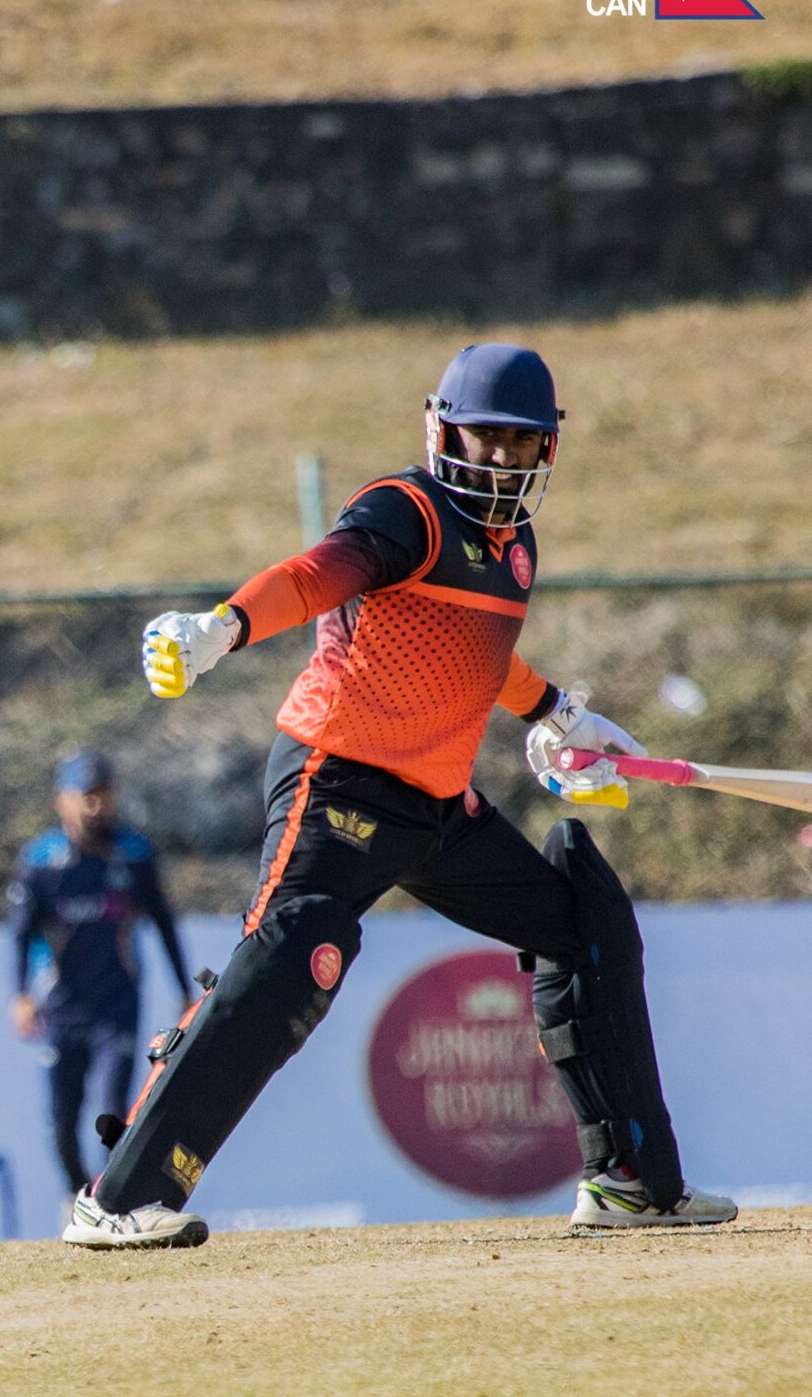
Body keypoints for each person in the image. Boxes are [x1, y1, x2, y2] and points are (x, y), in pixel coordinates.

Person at [66, 343, 737, 1248]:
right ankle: (118, 1198)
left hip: (435, 809)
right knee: (296, 949)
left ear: (547, 448)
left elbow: (476, 653)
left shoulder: (517, 551)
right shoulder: (406, 510)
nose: (499, 459)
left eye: (518, 442)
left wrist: (555, 713)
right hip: (336, 776)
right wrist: (225, 626)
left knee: (586, 922)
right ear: (441, 428)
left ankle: (629, 1181)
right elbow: (315, 575)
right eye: (483, 438)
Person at [6, 749, 188, 1198]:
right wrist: (21, 995)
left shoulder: (133, 855)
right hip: (62, 1009)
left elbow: (164, 923)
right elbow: (21, 934)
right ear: (61, 801)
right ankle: (78, 1195)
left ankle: (111, 1199)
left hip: (117, 1004)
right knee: (62, 1123)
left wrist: (183, 990)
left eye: (103, 795)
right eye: (84, 796)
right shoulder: (41, 862)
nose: (95, 806)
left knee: (111, 1110)